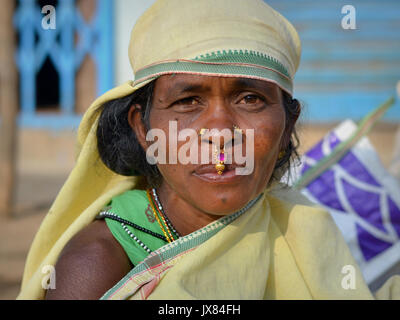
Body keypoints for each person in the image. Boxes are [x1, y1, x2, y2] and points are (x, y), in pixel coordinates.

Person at [18, 0, 399, 300]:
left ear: (287, 127)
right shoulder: (99, 264)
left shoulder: (302, 226)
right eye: (188, 101)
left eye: (250, 98)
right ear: (143, 126)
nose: (220, 132)